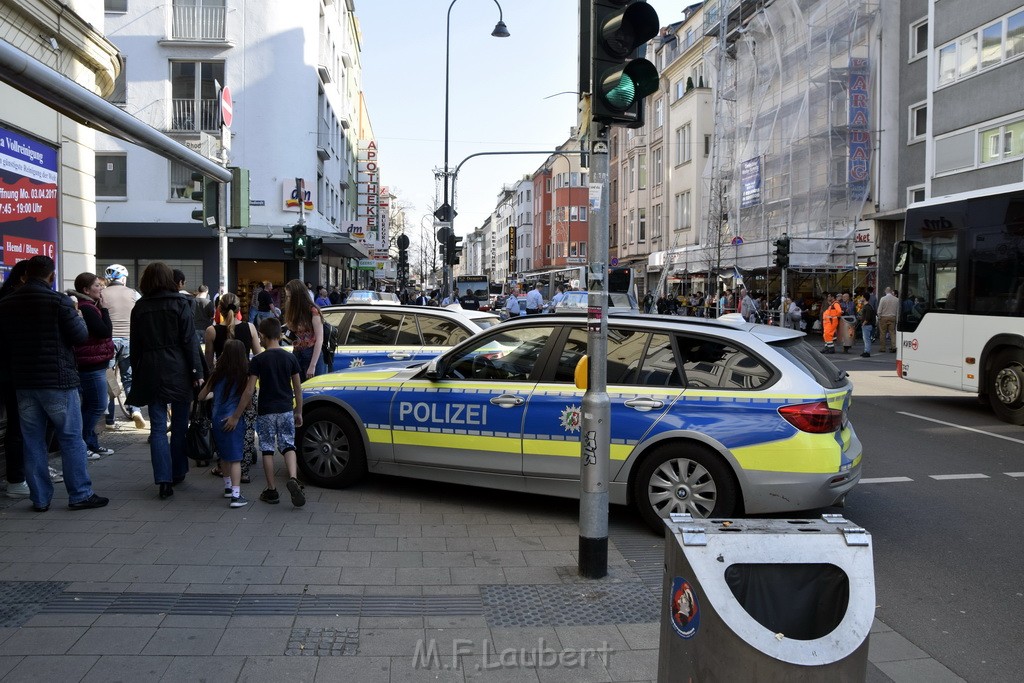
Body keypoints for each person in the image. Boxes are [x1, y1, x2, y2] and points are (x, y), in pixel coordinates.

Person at [0, 255, 109, 512]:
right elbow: (80, 336)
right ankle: (80, 494)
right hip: (58, 380)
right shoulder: (58, 301)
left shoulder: (6, 303)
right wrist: (76, 313)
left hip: (24, 381)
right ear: (51, 275)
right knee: (71, 438)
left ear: (26, 275)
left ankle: (39, 498)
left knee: (33, 440)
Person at [128, 262, 205, 500]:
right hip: (179, 369)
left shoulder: (139, 308)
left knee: (158, 428)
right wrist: (197, 372)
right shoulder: (181, 303)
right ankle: (178, 471)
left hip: (151, 369)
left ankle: (163, 480)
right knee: (180, 425)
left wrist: (138, 371)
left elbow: (135, 346)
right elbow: (189, 341)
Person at [243, 317, 305, 507]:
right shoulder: (290, 357)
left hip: (266, 411)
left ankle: (271, 490)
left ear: (261, 336)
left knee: (267, 449)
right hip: (286, 409)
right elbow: (297, 387)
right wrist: (299, 411)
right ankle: (293, 478)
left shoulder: (259, 360)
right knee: (288, 445)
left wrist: (247, 406)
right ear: (279, 335)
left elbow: (249, 389)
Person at [204, 292, 262, 485]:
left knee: (223, 426)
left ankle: (223, 468)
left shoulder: (211, 331)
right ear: (239, 310)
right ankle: (243, 470)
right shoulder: (250, 328)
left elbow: (209, 362)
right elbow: (258, 355)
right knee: (246, 427)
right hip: (245, 384)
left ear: (219, 309)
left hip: (222, 386)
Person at [197, 339, 252, 508]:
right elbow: (248, 402)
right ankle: (236, 495)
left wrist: (213, 395)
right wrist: (237, 415)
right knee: (235, 458)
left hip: (217, 419)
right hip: (233, 420)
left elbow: (200, 396)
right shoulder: (245, 375)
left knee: (224, 456)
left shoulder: (216, 374)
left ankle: (228, 487)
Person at [70, 272, 116, 460]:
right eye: (97, 285)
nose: (101, 288)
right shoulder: (88, 308)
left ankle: (91, 443)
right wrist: (104, 310)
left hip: (94, 362)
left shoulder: (89, 306)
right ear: (86, 290)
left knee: (90, 405)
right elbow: (104, 332)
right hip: (91, 364)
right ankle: (83, 443)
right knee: (97, 405)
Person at [101, 263, 146, 430]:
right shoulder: (134, 294)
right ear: (123, 279)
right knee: (129, 378)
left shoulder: (101, 294)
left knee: (109, 379)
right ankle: (135, 410)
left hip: (108, 341)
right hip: (129, 340)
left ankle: (110, 420)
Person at [283, 279, 325, 381]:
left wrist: (312, 365)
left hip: (311, 354)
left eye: (290, 296)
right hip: (297, 352)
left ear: (297, 296)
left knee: (313, 389)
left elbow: (319, 339)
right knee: (299, 387)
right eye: (287, 296)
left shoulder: (313, 311)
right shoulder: (293, 311)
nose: (288, 299)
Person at [877, 286, 900, 353]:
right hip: (893, 317)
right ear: (891, 291)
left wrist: (879, 316)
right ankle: (893, 346)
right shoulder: (896, 299)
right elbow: (898, 310)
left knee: (882, 333)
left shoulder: (883, 299)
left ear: (885, 291)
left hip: (883, 317)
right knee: (892, 333)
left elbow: (879, 310)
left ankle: (882, 348)